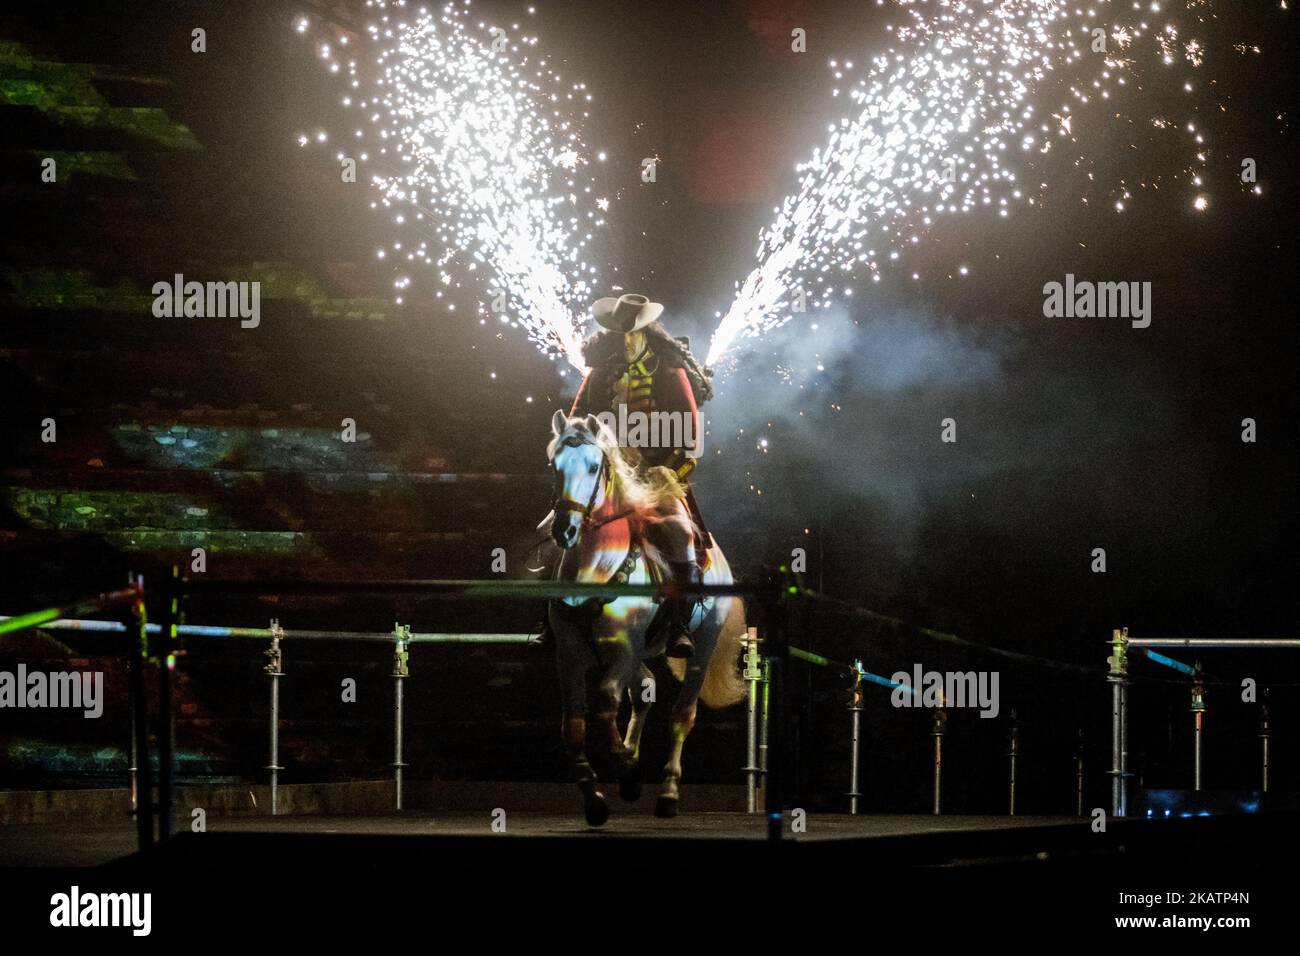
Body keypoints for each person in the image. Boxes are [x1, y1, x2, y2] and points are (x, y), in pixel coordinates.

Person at [566, 292, 714, 658]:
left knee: (679, 532)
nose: (626, 338)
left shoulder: (669, 369)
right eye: (620, 331)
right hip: (607, 475)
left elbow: (691, 436)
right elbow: (575, 419)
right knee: (559, 526)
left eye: (632, 331)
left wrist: (669, 471)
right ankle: (553, 618)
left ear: (646, 331)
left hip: (658, 473)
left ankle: (680, 624)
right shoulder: (601, 370)